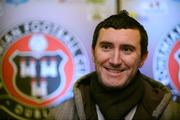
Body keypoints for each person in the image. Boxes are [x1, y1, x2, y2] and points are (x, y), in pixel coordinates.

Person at [47, 10, 180, 120]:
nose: (115, 61)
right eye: (106, 47)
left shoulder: (173, 114)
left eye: (127, 49)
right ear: (93, 52)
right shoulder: (60, 115)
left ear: (143, 59)